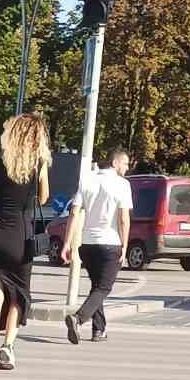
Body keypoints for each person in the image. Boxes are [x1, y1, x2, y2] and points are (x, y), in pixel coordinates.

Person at [0, 113, 50, 371]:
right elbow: (44, 198)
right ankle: (8, 346)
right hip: (20, 237)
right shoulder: (38, 166)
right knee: (19, 295)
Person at [63, 147, 133, 346]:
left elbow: (74, 213)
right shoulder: (122, 185)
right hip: (110, 243)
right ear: (115, 163)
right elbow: (123, 218)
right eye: (125, 164)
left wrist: (67, 243)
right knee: (104, 287)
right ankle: (78, 318)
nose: (127, 168)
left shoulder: (87, 179)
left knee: (96, 287)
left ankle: (99, 330)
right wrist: (125, 245)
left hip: (87, 244)